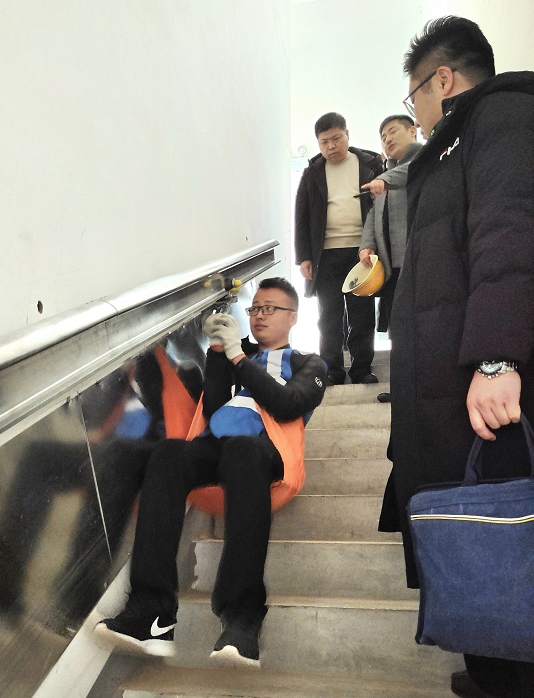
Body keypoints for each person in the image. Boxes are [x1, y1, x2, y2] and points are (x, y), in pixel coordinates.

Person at [385, 16, 534, 698]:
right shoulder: (450, 146)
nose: (414, 110)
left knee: (504, 530)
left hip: (484, 384)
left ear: (442, 79)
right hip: (448, 385)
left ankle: (507, 674)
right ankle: (491, 671)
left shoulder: (501, 116)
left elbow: (510, 232)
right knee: (477, 532)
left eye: (413, 93)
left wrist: (498, 358)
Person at [94, 277, 326, 668]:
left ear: (293, 317)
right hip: (216, 446)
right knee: (168, 453)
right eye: (255, 308)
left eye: (270, 308)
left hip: (265, 451)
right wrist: (218, 353)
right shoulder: (238, 355)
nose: (259, 315)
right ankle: (152, 613)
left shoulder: (309, 364)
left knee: (242, 450)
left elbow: (288, 403)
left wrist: (237, 356)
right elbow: (214, 407)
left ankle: (242, 617)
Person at [294, 112, 383, 386]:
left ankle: (361, 369)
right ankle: (331, 369)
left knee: (362, 314)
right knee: (328, 315)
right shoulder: (313, 171)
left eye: (336, 138)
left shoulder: (369, 164)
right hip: (326, 254)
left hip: (362, 251)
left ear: (347, 135)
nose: (331, 146)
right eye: (324, 142)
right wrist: (304, 257)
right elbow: (301, 214)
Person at [359, 114, 422, 403]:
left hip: (419, 266)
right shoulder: (387, 174)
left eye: (392, 132)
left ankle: (422, 390)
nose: (387, 139)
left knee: (422, 331)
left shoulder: (423, 158)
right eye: (383, 137)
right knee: (400, 333)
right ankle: (403, 390)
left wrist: (382, 179)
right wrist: (366, 246)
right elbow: (374, 215)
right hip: (392, 269)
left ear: (413, 130)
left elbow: (413, 171)